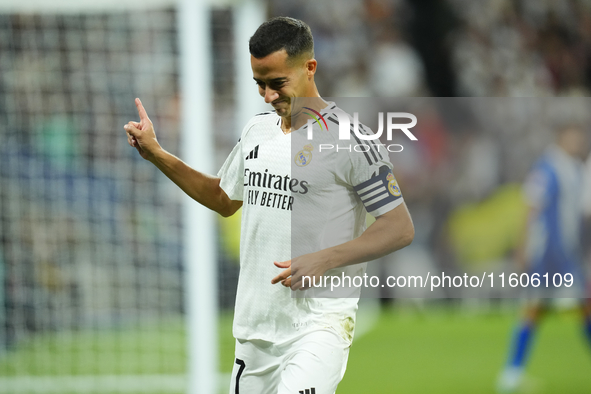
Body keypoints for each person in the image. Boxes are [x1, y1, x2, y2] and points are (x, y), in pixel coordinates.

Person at [124, 17, 414, 394]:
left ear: (310, 68)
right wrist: (157, 154)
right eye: (259, 84)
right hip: (256, 328)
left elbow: (399, 227)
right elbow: (223, 199)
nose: (267, 96)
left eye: (278, 83)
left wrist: (324, 258)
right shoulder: (257, 130)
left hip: (318, 326)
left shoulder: (351, 141)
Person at [497, 124, 591, 393]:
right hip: (548, 254)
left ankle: (511, 373)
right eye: (574, 136)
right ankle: (511, 374)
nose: (579, 141)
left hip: (566, 254)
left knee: (546, 310)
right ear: (561, 138)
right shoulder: (547, 167)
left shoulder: (574, 168)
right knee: (538, 310)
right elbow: (531, 206)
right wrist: (523, 247)